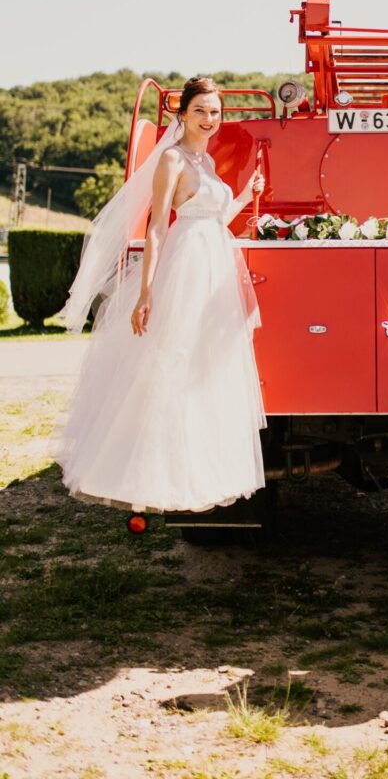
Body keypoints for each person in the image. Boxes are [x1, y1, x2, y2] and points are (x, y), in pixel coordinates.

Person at [56, 76, 267, 512]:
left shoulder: (206, 160)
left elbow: (215, 215)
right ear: (182, 114)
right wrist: (146, 291)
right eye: (200, 110)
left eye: (215, 112)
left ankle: (200, 466)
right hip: (187, 263)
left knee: (207, 364)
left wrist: (248, 194)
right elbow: (156, 228)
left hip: (214, 264)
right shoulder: (172, 158)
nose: (209, 119)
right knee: (175, 359)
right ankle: (151, 469)